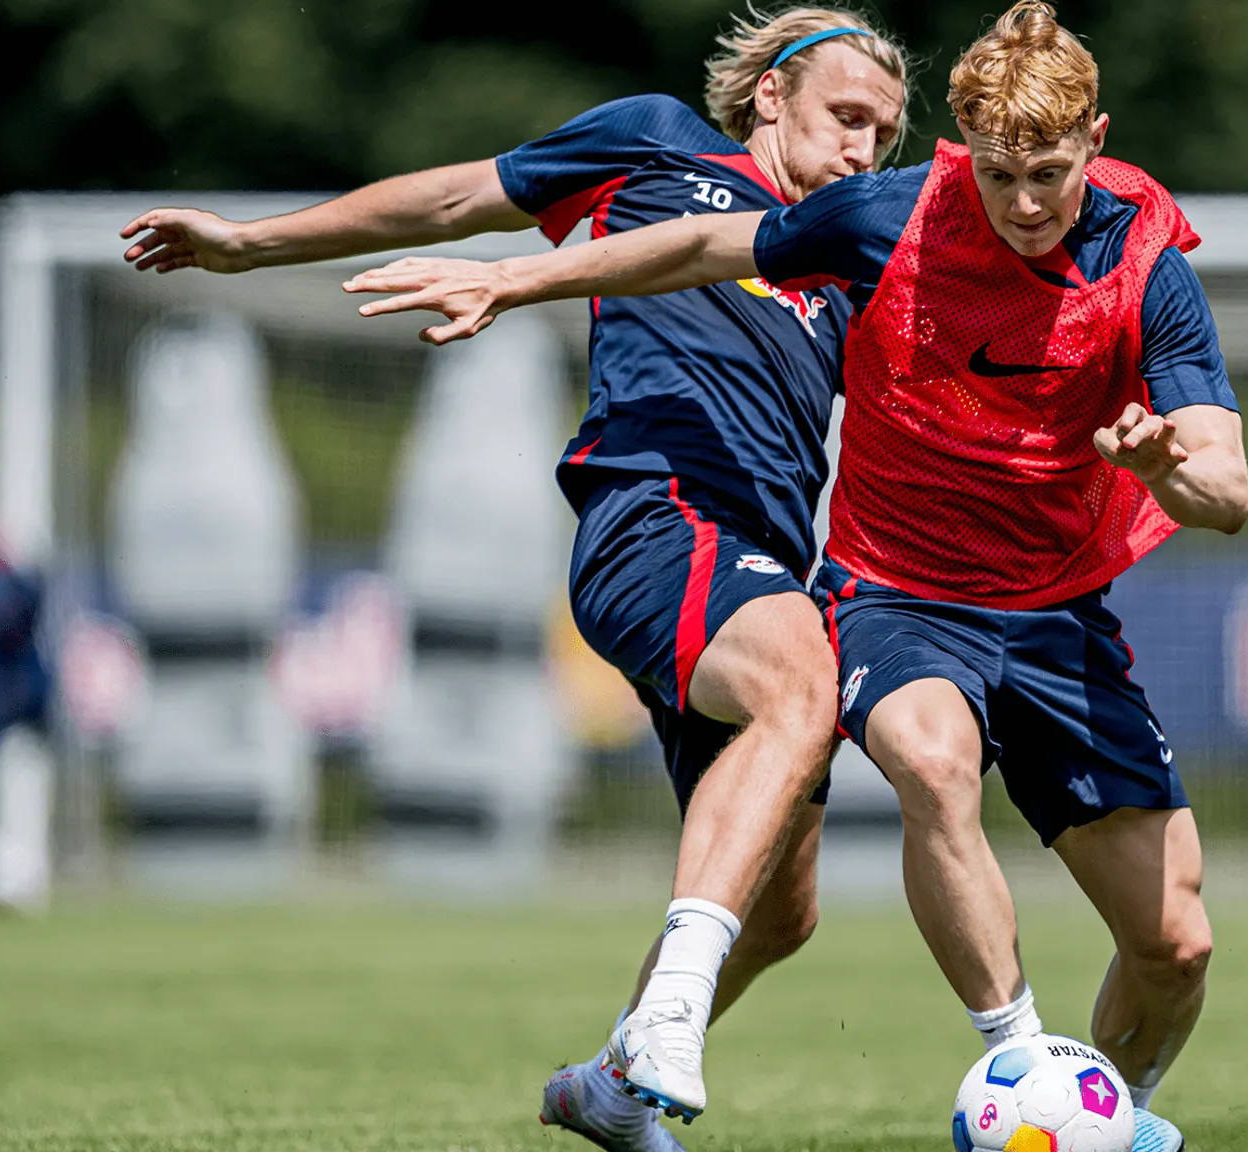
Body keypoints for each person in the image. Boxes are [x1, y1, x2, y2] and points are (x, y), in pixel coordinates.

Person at [341, 5, 1248, 1149]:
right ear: (965, 149)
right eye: (1003, 176)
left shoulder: (1144, 262)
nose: (1025, 205)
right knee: (928, 756)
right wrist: (515, 284)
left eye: (1051, 177)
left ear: (1095, 141)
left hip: (1055, 612)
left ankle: (1100, 1119)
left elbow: (1227, 489)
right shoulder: (887, 213)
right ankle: (1015, 1055)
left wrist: (1168, 466)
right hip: (895, 593)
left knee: (1172, 943)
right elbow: (692, 248)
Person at [120, 8, 911, 1148]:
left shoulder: (843, 248)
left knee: (783, 912)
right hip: (653, 520)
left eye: (883, 135)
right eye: (846, 116)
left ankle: (607, 1081)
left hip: (763, 574)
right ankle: (668, 1023)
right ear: (770, 98)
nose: (862, 150)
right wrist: (252, 245)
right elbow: (448, 202)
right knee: (799, 687)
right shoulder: (656, 146)